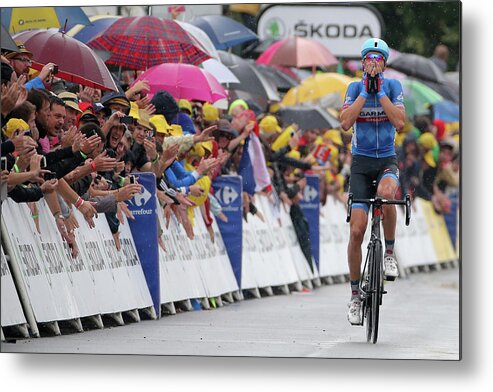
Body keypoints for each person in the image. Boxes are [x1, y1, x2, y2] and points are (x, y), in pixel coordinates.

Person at [340, 38, 406, 326]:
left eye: (379, 58)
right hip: (361, 163)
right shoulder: (355, 87)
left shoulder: (392, 87)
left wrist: (380, 95)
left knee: (387, 194)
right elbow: (345, 123)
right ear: (364, 62)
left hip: (386, 159)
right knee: (357, 231)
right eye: (369, 58)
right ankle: (355, 295)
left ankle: (389, 252)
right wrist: (364, 95)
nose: (374, 62)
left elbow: (400, 122)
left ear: (385, 63)